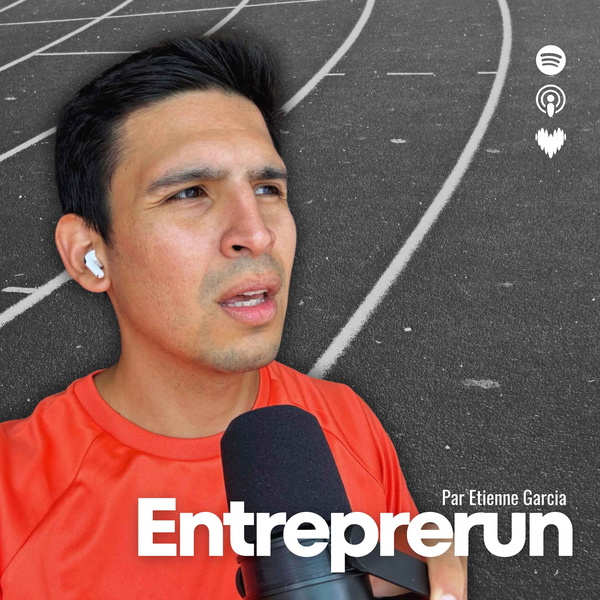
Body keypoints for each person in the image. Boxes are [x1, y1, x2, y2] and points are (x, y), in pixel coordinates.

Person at [0, 36, 466, 599]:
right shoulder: (11, 496)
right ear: (88, 255)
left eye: (268, 188)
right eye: (190, 193)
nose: (256, 233)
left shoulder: (345, 421)